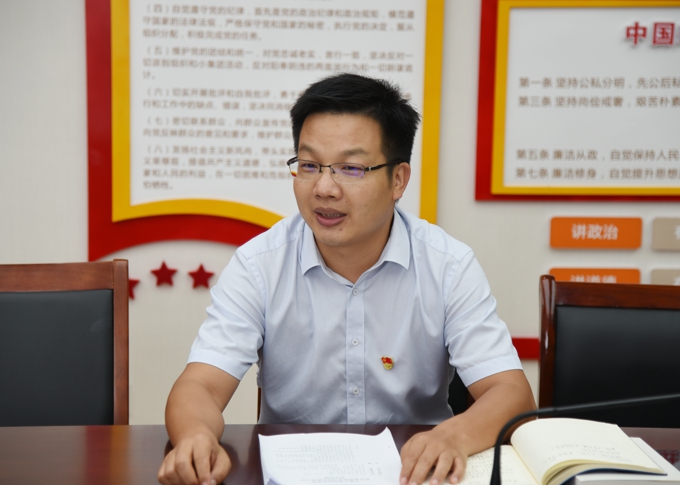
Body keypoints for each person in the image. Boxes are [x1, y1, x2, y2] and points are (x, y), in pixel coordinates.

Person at [157, 73, 536, 485]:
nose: (323, 188)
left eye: (350, 168)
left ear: (398, 180)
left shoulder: (448, 266)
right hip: (295, 475)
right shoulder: (259, 265)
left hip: (413, 473)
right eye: (309, 165)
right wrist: (195, 437)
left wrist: (452, 436)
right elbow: (201, 386)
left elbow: (510, 393)